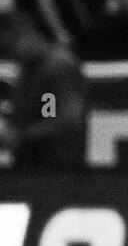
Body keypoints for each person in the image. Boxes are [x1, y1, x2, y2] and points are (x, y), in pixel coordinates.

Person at [0, 12, 87, 169]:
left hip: (58, 168)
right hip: (30, 164)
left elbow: (68, 118)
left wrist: (22, 136)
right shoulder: (27, 69)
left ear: (25, 34)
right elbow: (45, 111)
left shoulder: (59, 65)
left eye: (8, 48)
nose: (9, 56)